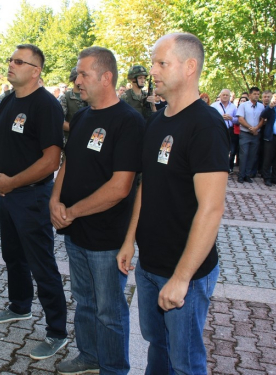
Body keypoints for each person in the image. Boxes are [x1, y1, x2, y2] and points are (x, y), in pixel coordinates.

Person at [116, 33, 229, 375]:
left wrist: (181, 278)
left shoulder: (206, 125)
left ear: (190, 67)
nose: (153, 71)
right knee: (158, 346)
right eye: (153, 63)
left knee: (186, 362)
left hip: (186, 273)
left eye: (162, 63)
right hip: (150, 266)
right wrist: (128, 241)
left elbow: (211, 209)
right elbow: (146, 186)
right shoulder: (156, 121)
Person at [51, 46, 144, 375]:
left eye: (83, 74)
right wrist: (54, 200)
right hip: (75, 233)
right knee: (85, 301)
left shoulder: (130, 121)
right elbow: (68, 162)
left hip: (107, 237)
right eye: (77, 74)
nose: (77, 81)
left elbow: (121, 188)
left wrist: (72, 211)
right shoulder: (80, 116)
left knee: (110, 310)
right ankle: (89, 356)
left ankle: (114, 368)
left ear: (106, 77)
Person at [0, 44, 67, 361]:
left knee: (41, 263)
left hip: (32, 196)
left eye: (19, 61)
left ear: (35, 71)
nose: (11, 64)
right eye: (10, 59)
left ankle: (57, 331)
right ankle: (20, 305)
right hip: (8, 194)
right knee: (13, 256)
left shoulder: (46, 106)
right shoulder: (8, 100)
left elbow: (52, 160)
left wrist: (12, 182)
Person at [236, 87, 264, 183]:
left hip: (256, 134)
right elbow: (240, 119)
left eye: (258, 94)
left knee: (252, 155)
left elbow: (262, 119)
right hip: (245, 133)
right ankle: (241, 175)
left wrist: (256, 128)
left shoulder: (261, 106)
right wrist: (250, 128)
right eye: (255, 94)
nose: (256, 96)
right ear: (250, 95)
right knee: (244, 155)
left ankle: (247, 175)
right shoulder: (243, 105)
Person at [211, 89, 239, 174]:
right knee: (217, 147)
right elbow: (209, 117)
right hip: (217, 129)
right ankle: (215, 166)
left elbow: (238, 120)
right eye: (224, 95)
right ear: (220, 96)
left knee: (230, 150)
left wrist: (231, 118)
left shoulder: (233, 107)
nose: (225, 96)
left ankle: (228, 167)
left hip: (229, 130)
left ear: (230, 97)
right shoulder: (214, 105)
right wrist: (220, 117)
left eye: (227, 95)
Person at [59, 67, 88, 144]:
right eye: (77, 78)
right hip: (70, 141)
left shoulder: (91, 97)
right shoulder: (65, 97)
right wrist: (79, 128)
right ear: (73, 80)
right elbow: (60, 121)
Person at [258, 93, 276, 186]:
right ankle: (267, 177)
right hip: (271, 136)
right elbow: (263, 115)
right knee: (268, 157)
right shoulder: (271, 108)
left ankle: (274, 177)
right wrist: (270, 107)